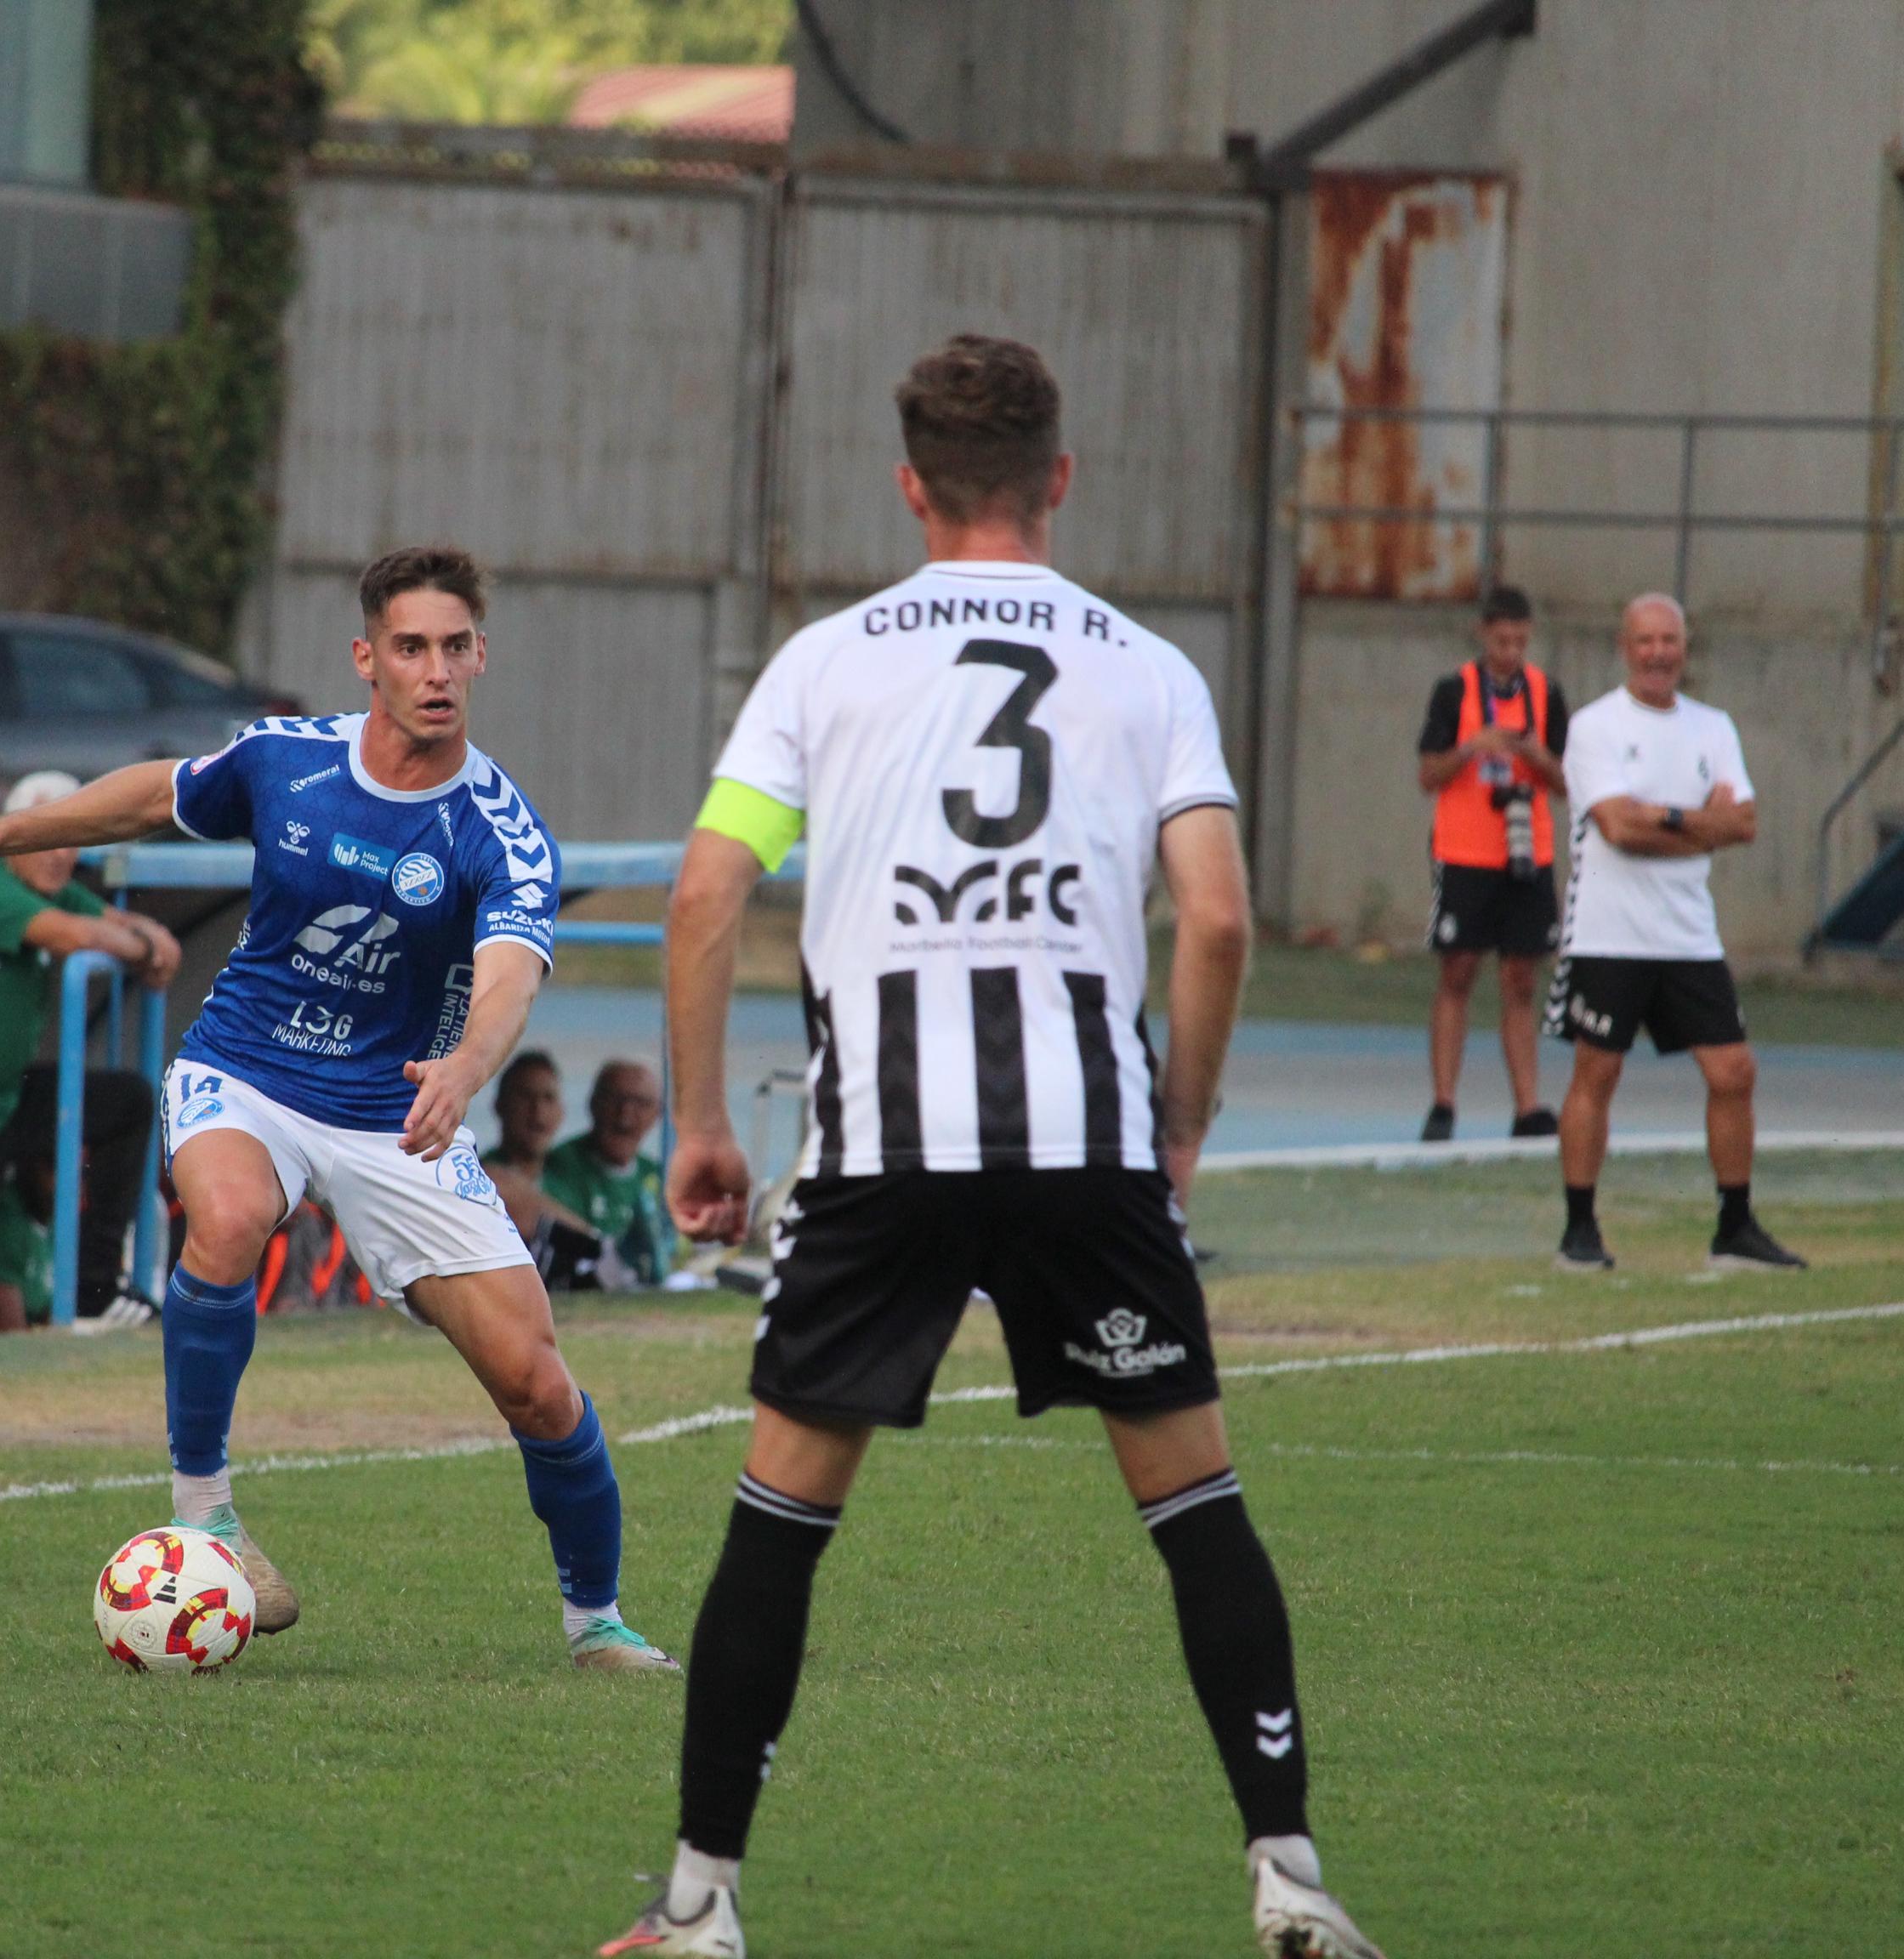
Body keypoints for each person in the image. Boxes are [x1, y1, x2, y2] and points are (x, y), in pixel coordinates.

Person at [602, 336, 1382, 1959]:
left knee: (781, 1513)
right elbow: (1219, 915)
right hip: (1087, 1146)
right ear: (1059, 477)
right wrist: (1177, 1120)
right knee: (1197, 1502)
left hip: (880, 1147)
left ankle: (700, 1903)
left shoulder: (823, 661)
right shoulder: (1148, 667)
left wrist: (693, 1118)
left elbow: (698, 894)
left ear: (910, 485)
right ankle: (1291, 1875)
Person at [0, 544, 672, 1672]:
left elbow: (509, 972)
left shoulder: (499, 832)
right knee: (225, 1219)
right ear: (368, 658)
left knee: (536, 1381)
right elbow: (155, 795)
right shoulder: (287, 762)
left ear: (482, 656)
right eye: (410, 646)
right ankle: (206, 1513)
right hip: (247, 1071)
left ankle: (595, 1622)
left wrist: (464, 1067)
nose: (436, 669)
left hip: (399, 1107)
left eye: (456, 646)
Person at [1546, 594, 1804, 1275]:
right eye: (1646, 641)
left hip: (1688, 934)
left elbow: (1744, 825)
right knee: (1597, 1070)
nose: (1659, 653)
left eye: (1670, 640)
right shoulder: (1595, 726)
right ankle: (1579, 1229)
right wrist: (1694, 823)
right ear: (1625, 646)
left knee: (1734, 1070)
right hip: (1609, 932)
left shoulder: (1714, 728)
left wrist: (1658, 817)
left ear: (1685, 647)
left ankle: (1735, 1226)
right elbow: (1617, 830)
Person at [0, 770, 181, 1332]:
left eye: (71, 843)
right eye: (45, 840)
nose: (58, 856)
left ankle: (97, 1288)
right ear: (14, 837)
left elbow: (156, 942)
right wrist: (139, 947)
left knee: (127, 1103)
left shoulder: (51, 890)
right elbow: (75, 937)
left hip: (2, 1098)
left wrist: (145, 942)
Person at [1415, 583, 1568, 1142]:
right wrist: (1472, 748)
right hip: (1464, 852)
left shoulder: (1545, 693)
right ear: (1484, 635)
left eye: (1520, 642)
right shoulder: (1453, 691)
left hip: (1527, 854)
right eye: (1502, 640)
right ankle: (1443, 1103)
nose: (1510, 651)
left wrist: (1532, 754)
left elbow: (1567, 781)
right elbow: (1428, 775)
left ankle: (1528, 1107)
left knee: (1522, 978)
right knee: (1457, 971)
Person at [483, 1049, 611, 1291]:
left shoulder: (573, 1182)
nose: (537, 1112)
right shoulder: (480, 1175)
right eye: (525, 1097)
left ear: (561, 1112)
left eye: (548, 1098)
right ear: (500, 1105)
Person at [543, 1059, 672, 1286]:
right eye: (615, 1098)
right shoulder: (560, 1166)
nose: (625, 1113)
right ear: (593, 1103)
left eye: (640, 1103)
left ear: (657, 1114)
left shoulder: (659, 1176)